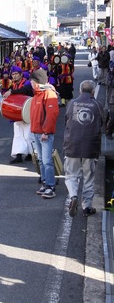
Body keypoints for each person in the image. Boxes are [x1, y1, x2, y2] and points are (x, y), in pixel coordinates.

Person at [63, 80, 104, 217]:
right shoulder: (98, 105)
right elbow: (103, 123)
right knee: (89, 177)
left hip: (72, 145)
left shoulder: (72, 103)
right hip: (90, 147)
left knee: (71, 175)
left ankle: (73, 196)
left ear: (80, 91)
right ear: (93, 92)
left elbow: (66, 120)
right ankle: (87, 207)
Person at [30, 69, 59, 198]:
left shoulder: (48, 93)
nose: (30, 83)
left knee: (47, 161)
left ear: (37, 82)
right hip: (37, 131)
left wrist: (46, 131)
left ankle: (50, 186)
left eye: (32, 81)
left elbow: (52, 114)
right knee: (42, 160)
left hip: (43, 133)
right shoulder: (37, 93)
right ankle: (45, 183)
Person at [3, 66, 34, 164]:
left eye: (16, 74)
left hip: (28, 113)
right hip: (18, 114)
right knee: (18, 135)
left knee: (29, 135)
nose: (14, 76)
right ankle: (19, 155)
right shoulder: (13, 85)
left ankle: (31, 153)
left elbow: (24, 91)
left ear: (21, 74)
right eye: (13, 74)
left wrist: (11, 92)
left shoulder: (28, 83)